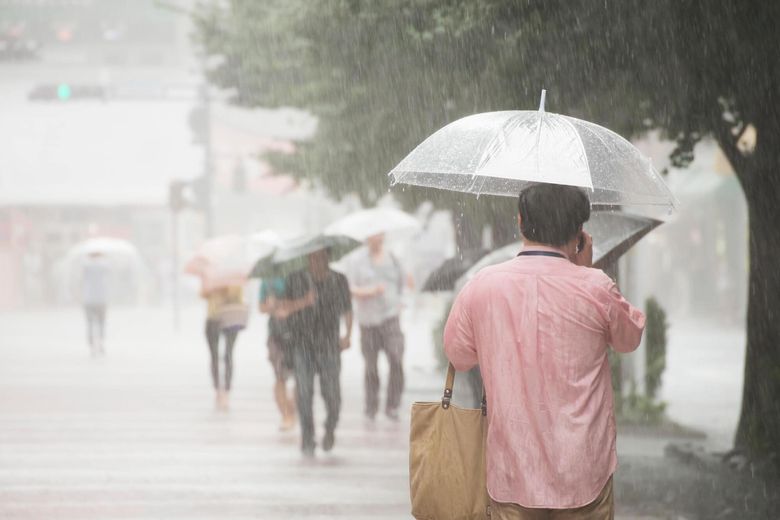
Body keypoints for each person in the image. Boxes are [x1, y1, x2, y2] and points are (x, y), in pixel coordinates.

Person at [443, 183, 646, 519]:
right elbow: (629, 339)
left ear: (521, 221)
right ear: (580, 231)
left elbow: (459, 355)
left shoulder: (484, 284)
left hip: (512, 468)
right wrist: (587, 271)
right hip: (583, 469)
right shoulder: (595, 286)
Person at [285, 248, 352, 457]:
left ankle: (330, 427)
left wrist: (348, 334)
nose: (316, 261)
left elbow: (348, 309)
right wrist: (304, 301)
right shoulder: (295, 279)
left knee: (333, 395)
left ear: (328, 257)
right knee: (304, 393)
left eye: (321, 257)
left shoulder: (339, 280)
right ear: (307, 258)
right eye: (312, 257)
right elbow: (283, 308)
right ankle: (307, 436)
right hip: (302, 344)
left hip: (329, 345)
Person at [347, 233, 406, 421]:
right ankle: (371, 405)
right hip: (368, 321)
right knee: (371, 367)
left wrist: (399, 302)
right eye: (373, 235)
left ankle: (392, 405)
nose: (377, 238)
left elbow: (402, 284)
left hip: (390, 318)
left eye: (380, 234)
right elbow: (350, 289)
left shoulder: (393, 259)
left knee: (396, 359)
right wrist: (370, 291)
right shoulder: (357, 261)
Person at [258, 276, 297, 431]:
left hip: (299, 333)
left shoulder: (300, 278)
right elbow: (261, 308)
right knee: (279, 376)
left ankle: (293, 407)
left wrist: (288, 306)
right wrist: (271, 306)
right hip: (276, 335)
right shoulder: (268, 281)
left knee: (302, 377)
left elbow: (308, 301)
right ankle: (286, 415)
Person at [202, 284, 245, 410]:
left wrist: (227, 290)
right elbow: (202, 295)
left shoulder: (235, 282)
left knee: (228, 354)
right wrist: (211, 289)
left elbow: (238, 298)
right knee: (214, 356)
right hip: (213, 319)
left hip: (231, 317)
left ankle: (226, 389)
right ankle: (217, 389)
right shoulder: (211, 280)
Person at [81, 251, 110, 356]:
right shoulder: (103, 266)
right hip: (101, 299)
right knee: (101, 323)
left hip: (88, 299)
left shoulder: (86, 266)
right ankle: (101, 343)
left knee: (90, 324)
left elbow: (82, 278)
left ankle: (92, 345)